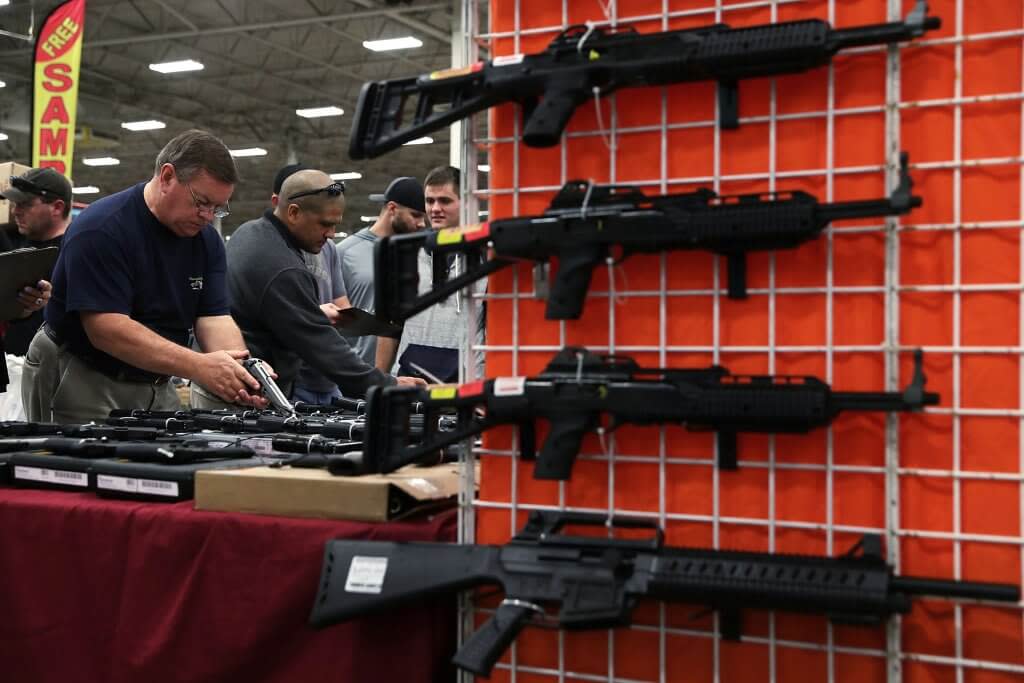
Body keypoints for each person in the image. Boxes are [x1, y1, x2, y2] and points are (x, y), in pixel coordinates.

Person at [22, 129, 268, 424]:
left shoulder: (206, 241)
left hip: (155, 377)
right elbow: (106, 329)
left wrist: (239, 368)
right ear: (166, 177)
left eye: (217, 208)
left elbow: (213, 315)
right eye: (202, 202)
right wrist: (199, 366)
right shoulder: (102, 229)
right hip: (81, 369)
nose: (208, 216)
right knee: (80, 463)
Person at [225, 168, 424, 399]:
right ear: (293, 213)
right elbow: (318, 342)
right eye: (324, 224)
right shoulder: (281, 266)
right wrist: (387, 384)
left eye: (335, 224)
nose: (331, 234)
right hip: (244, 393)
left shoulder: (250, 232)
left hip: (247, 384)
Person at [375, 166, 486, 382]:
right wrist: (378, 380)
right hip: (411, 383)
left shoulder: (487, 257)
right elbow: (389, 327)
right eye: (429, 201)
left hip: (466, 386)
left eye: (444, 201)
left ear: (466, 201)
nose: (434, 208)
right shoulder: (405, 254)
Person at [271, 164, 352, 404]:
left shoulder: (329, 250)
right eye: (325, 224)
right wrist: (316, 315)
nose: (331, 234)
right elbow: (274, 318)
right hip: (293, 379)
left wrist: (357, 318)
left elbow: (341, 303)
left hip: (326, 376)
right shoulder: (272, 252)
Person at [336, 176, 426, 365]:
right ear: (392, 209)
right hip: (356, 373)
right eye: (416, 215)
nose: (422, 224)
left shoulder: (416, 255)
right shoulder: (344, 253)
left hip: (401, 373)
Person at [1, 167, 72, 356]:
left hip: (53, 368)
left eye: (25, 204)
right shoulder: (12, 245)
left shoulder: (77, 253)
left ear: (57, 207)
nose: (15, 211)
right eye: (15, 204)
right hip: (13, 364)